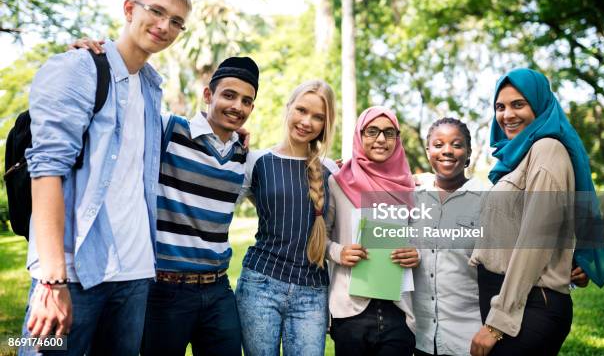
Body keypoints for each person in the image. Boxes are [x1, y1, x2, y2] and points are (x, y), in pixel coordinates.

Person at [22, 0, 191, 355]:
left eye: (177, 21)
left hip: (134, 275)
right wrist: (52, 280)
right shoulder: (79, 68)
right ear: (130, 9)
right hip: (73, 273)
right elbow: (46, 169)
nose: (165, 26)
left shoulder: (151, 88)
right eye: (157, 11)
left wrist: (232, 131)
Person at [469, 68, 604, 355]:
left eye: (518, 104)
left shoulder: (547, 149)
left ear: (540, 104)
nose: (507, 114)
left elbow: (536, 239)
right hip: (513, 298)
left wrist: (498, 323)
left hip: (529, 306)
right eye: (500, 106)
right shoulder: (522, 156)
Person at [139, 57, 258, 356]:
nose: (237, 106)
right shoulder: (169, 129)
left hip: (218, 290)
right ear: (208, 95)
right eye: (229, 95)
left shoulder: (241, 156)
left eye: (246, 101)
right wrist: (93, 55)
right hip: (165, 289)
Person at [236, 80, 337, 356]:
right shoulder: (256, 161)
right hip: (260, 286)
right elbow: (219, 200)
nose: (307, 121)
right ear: (288, 108)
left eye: (318, 117)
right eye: (302, 110)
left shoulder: (330, 171)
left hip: (312, 292)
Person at [326, 106, 419, 355]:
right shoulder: (338, 182)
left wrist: (416, 252)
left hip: (398, 311)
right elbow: (319, 238)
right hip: (350, 309)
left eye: (389, 133)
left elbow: (423, 240)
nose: (381, 139)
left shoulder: (411, 186)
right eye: (372, 131)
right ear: (360, 134)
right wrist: (338, 251)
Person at [412, 118, 487, 356]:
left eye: (456, 144)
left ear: (468, 153)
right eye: (438, 144)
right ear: (428, 152)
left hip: (468, 337)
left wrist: (569, 272)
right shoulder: (411, 195)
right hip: (418, 337)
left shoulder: (488, 198)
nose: (447, 151)